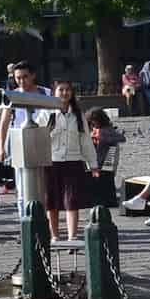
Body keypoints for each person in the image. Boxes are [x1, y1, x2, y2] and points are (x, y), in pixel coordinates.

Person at [0, 62, 56, 219]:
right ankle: (25, 219)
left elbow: (54, 118)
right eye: (18, 78)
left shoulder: (45, 93)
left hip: (42, 139)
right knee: (22, 185)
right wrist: (1, 148)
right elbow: (4, 122)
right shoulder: (12, 96)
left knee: (43, 185)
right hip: (19, 142)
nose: (22, 81)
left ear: (33, 75)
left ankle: (43, 219)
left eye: (25, 77)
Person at [42, 80, 92, 243]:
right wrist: (49, 130)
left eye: (67, 89)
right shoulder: (46, 113)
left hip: (73, 160)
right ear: (54, 92)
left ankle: (72, 236)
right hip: (51, 161)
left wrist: (93, 163)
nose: (64, 93)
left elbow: (86, 141)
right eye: (61, 90)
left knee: (71, 199)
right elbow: (37, 136)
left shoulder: (78, 115)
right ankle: (54, 235)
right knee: (52, 200)